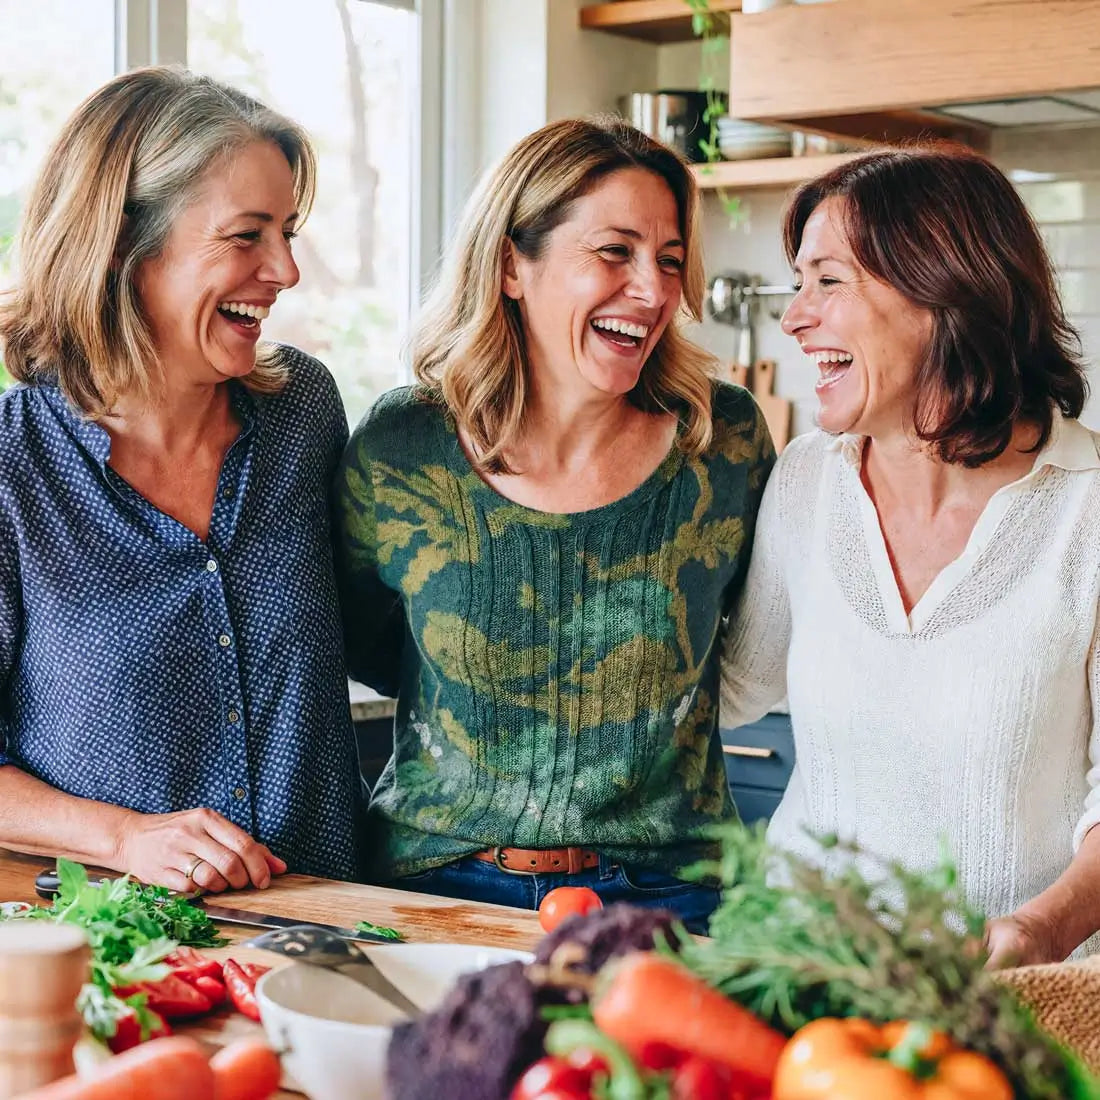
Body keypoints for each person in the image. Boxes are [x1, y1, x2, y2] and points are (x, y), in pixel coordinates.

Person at [334, 117, 774, 933]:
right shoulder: (404, 445)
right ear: (511, 264)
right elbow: (369, 643)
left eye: (670, 260)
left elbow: (754, 642)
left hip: (672, 899)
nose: (653, 290)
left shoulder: (725, 442)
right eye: (615, 252)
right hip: (435, 884)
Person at [721, 144, 1100, 964]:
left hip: (1012, 1003)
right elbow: (730, 688)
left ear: (942, 289)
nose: (794, 318)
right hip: (803, 978)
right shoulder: (807, 481)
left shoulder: (1088, 506)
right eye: (797, 284)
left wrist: (1043, 930)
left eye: (826, 281)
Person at [0, 67, 363, 894]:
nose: (285, 271)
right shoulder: (13, 467)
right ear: (125, 245)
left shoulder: (303, 411)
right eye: (247, 236)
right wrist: (125, 839)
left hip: (332, 928)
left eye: (289, 233)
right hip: (126, 950)